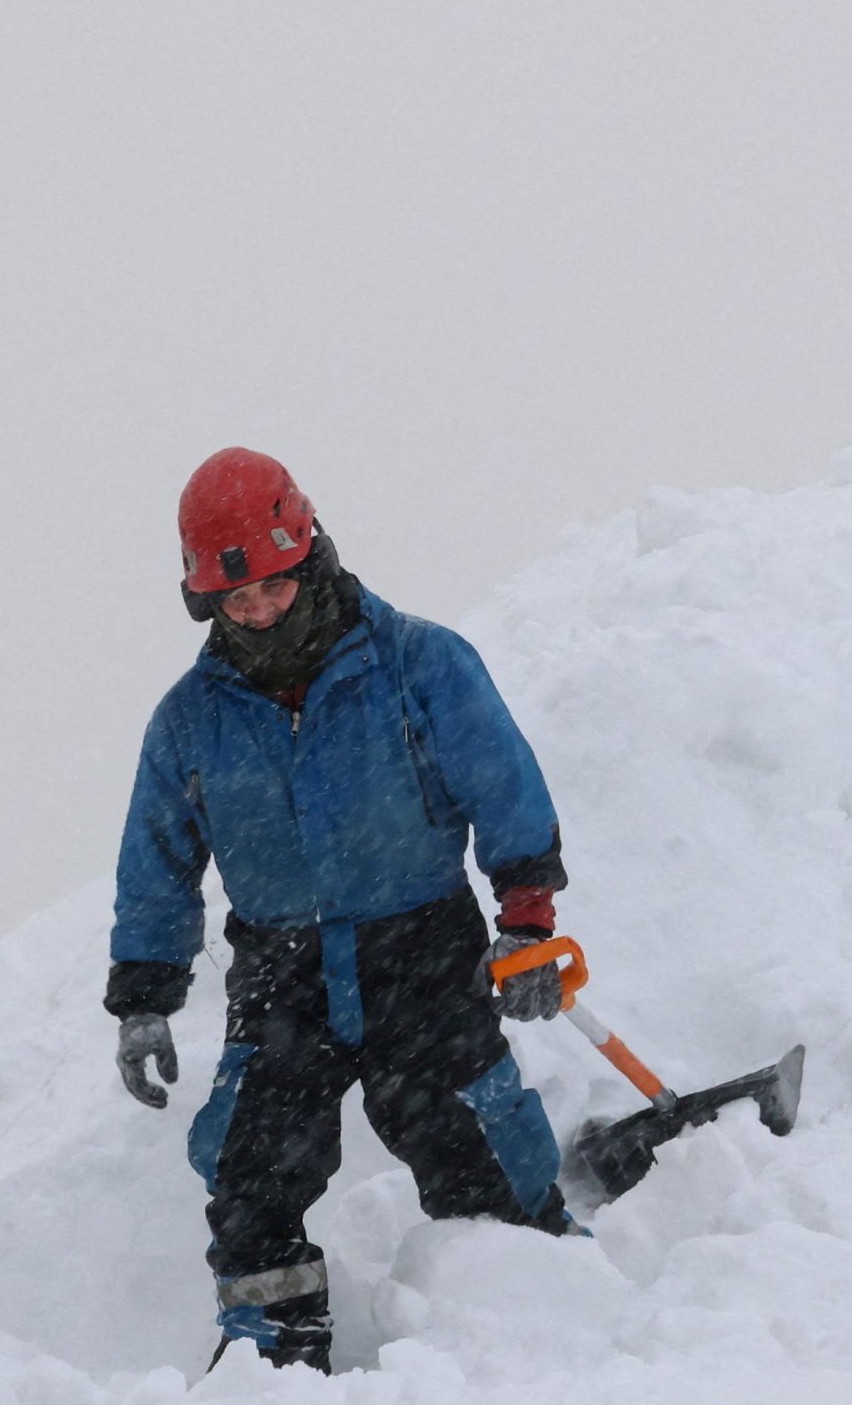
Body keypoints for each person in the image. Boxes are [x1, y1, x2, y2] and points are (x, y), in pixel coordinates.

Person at [106, 447, 576, 1373]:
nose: (256, 611)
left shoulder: (417, 662)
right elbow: (157, 861)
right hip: (282, 968)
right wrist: (145, 995)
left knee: (468, 1131)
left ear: (306, 552)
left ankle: (539, 1308)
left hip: (422, 946)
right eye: (233, 601)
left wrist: (526, 920)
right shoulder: (191, 720)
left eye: (271, 589)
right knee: (250, 1167)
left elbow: (503, 786)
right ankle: (271, 1356)